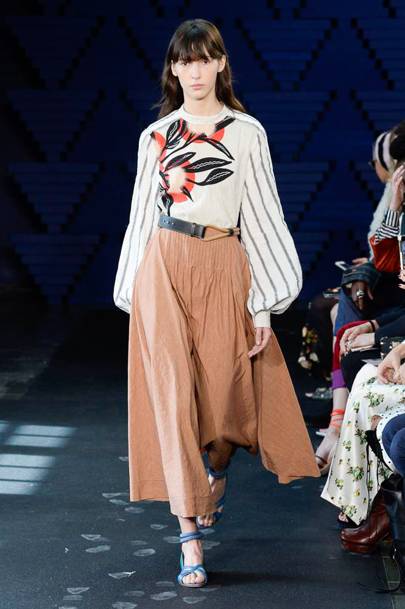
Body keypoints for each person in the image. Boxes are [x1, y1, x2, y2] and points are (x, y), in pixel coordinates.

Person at [113, 18, 320, 588]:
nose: (196, 70)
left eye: (206, 59)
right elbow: (140, 214)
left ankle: (216, 471)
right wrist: (133, 290)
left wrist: (263, 305)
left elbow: (263, 215)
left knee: (228, 408)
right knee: (172, 399)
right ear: (173, 69)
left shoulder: (246, 132)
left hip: (225, 263)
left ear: (222, 63)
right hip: (163, 265)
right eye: (186, 61)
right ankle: (190, 537)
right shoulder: (156, 136)